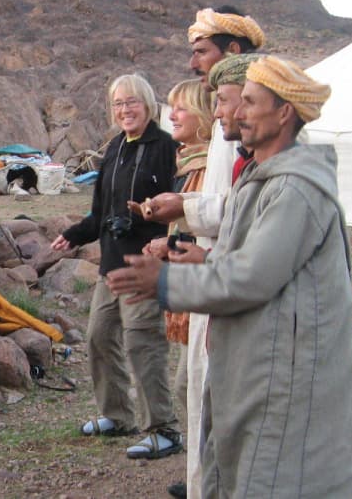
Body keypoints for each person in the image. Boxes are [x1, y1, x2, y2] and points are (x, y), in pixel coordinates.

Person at [108, 56, 352, 498]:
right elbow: (260, 264)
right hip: (262, 362)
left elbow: (251, 279)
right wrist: (205, 262)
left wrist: (166, 283)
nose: (237, 113)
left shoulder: (295, 190)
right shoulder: (264, 180)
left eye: (248, 102)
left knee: (275, 475)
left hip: (283, 369)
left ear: (284, 112)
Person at [157, 6, 267, 499]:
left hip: (232, 275)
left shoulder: (248, 130)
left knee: (221, 392)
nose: (194, 61)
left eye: (202, 51)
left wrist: (183, 207)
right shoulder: (228, 123)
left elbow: (242, 208)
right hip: (211, 270)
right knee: (201, 388)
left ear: (234, 51)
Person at [49, 74, 181, 459]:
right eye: (118, 104)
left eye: (132, 102)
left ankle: (163, 428)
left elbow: (179, 206)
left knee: (143, 342)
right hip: (111, 261)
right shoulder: (114, 149)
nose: (125, 110)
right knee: (99, 335)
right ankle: (117, 414)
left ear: (148, 104)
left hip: (145, 263)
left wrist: (155, 228)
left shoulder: (165, 147)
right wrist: (75, 234)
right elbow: (101, 213)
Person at [140, 79, 212, 444]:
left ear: (205, 114)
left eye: (182, 108)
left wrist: (168, 245)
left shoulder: (213, 165)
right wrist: (164, 241)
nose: (174, 115)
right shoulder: (190, 163)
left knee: (194, 386)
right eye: (171, 107)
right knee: (190, 384)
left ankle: (209, 476)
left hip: (209, 288)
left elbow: (211, 228)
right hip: (192, 285)